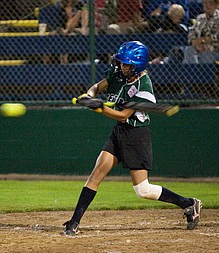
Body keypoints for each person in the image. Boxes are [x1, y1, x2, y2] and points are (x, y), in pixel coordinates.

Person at [63, 41, 202, 236]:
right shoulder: (118, 75)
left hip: (137, 136)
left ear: (137, 65)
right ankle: (74, 222)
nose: (121, 66)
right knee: (96, 173)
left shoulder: (143, 87)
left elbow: (123, 115)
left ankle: (188, 204)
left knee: (142, 190)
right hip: (119, 133)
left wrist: (100, 107)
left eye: (126, 64)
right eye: (121, 63)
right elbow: (96, 87)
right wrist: (89, 95)